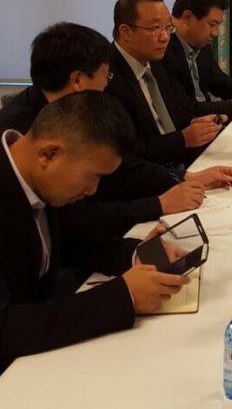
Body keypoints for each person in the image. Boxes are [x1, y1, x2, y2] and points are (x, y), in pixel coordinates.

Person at [0, 91, 192, 373]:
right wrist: (124, 297)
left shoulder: (41, 179)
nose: (93, 191)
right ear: (49, 154)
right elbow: (5, 331)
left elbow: (77, 240)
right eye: (93, 177)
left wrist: (136, 255)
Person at [0, 23, 232, 232]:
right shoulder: (19, 137)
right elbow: (74, 220)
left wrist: (183, 177)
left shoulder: (72, 109)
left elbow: (122, 163)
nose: (107, 86)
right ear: (77, 81)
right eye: (105, 78)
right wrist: (158, 205)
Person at [105, 0, 225, 167]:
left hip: (179, 165)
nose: (165, 37)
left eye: (168, 28)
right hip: (149, 178)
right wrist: (182, 139)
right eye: (155, 29)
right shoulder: (107, 77)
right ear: (125, 32)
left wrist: (195, 123)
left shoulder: (155, 62)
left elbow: (172, 113)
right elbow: (125, 154)